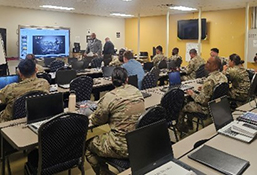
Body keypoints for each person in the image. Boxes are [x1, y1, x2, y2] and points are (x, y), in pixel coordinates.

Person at [86, 67, 145, 175]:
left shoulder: (109, 97)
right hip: (138, 142)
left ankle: (103, 172)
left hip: (120, 146)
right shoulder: (137, 91)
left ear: (112, 81)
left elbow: (97, 121)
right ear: (127, 79)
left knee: (88, 146)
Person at [177, 56, 227, 133]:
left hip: (205, 109)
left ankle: (182, 128)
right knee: (190, 100)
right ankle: (189, 124)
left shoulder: (209, 80)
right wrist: (204, 88)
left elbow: (202, 101)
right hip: (216, 107)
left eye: (208, 63)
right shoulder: (223, 77)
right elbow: (214, 89)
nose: (205, 64)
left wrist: (192, 93)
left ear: (215, 66)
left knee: (182, 105)